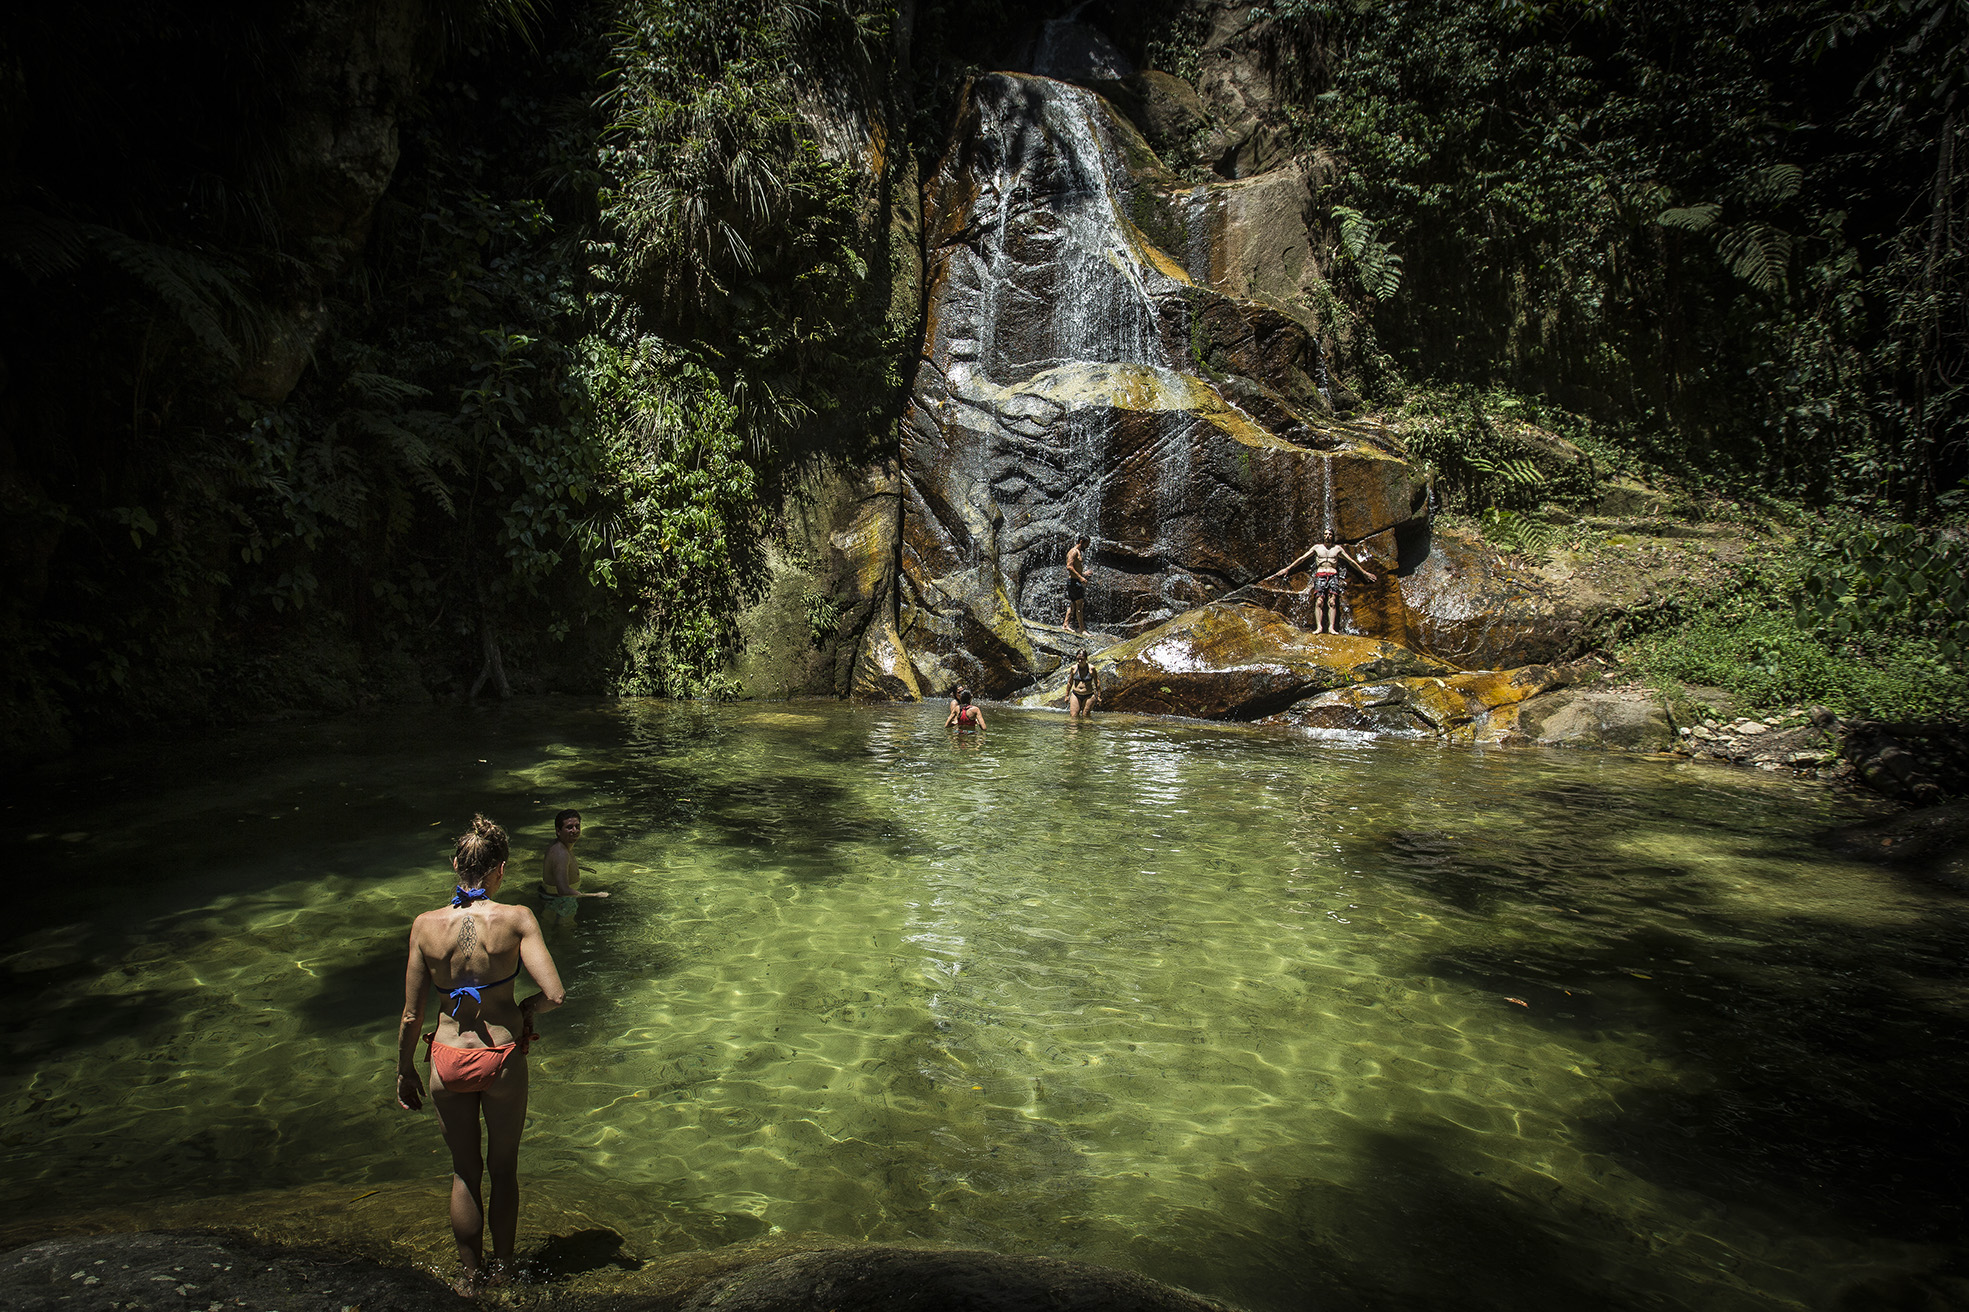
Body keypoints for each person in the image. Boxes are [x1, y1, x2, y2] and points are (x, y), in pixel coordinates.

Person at [396, 814, 565, 1294]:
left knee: (464, 1173)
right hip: (503, 1056)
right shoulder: (517, 919)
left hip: (447, 1056)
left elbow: (411, 1016)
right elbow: (554, 995)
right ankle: (507, 1274)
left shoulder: (424, 927)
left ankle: (471, 1281)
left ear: (455, 865)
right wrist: (525, 1009)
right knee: (503, 1169)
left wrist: (405, 1070)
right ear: (501, 871)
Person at [1263, 529, 1378, 635]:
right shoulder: (1317, 548)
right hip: (1320, 575)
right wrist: (1288, 569)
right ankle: (1319, 627)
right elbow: (1302, 558)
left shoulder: (1337, 549)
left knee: (1332, 601)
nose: (1328, 536)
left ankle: (1331, 628)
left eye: (1330, 534)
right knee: (1319, 602)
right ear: (1323, 536)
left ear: (1333, 536)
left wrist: (1364, 573)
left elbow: (1351, 562)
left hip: (1333, 575)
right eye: (1326, 534)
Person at [539, 809, 607, 921]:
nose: (574, 830)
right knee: (567, 931)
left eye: (577, 826)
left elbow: (557, 869)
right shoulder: (560, 853)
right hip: (560, 902)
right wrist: (595, 895)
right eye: (569, 827)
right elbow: (564, 891)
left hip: (554, 900)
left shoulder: (560, 846)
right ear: (558, 831)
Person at [1060, 534, 1091, 633]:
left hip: (1073, 581)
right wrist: (1081, 577)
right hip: (1074, 582)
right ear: (1081, 542)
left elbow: (1075, 568)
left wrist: (1084, 574)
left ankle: (1065, 624)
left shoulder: (1077, 552)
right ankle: (1082, 628)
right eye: (1087, 544)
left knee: (1073, 604)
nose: (1087, 546)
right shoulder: (1074, 551)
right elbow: (1069, 566)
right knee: (1079, 604)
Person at [1065, 650, 1099, 718]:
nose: (1080, 661)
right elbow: (1070, 682)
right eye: (1078, 659)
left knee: (1085, 715)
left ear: (1086, 659)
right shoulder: (1074, 668)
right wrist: (1066, 695)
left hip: (1088, 695)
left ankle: (1086, 728)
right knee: (1073, 716)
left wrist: (1099, 696)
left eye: (1082, 659)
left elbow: (1097, 682)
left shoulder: (1091, 669)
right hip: (1076, 694)